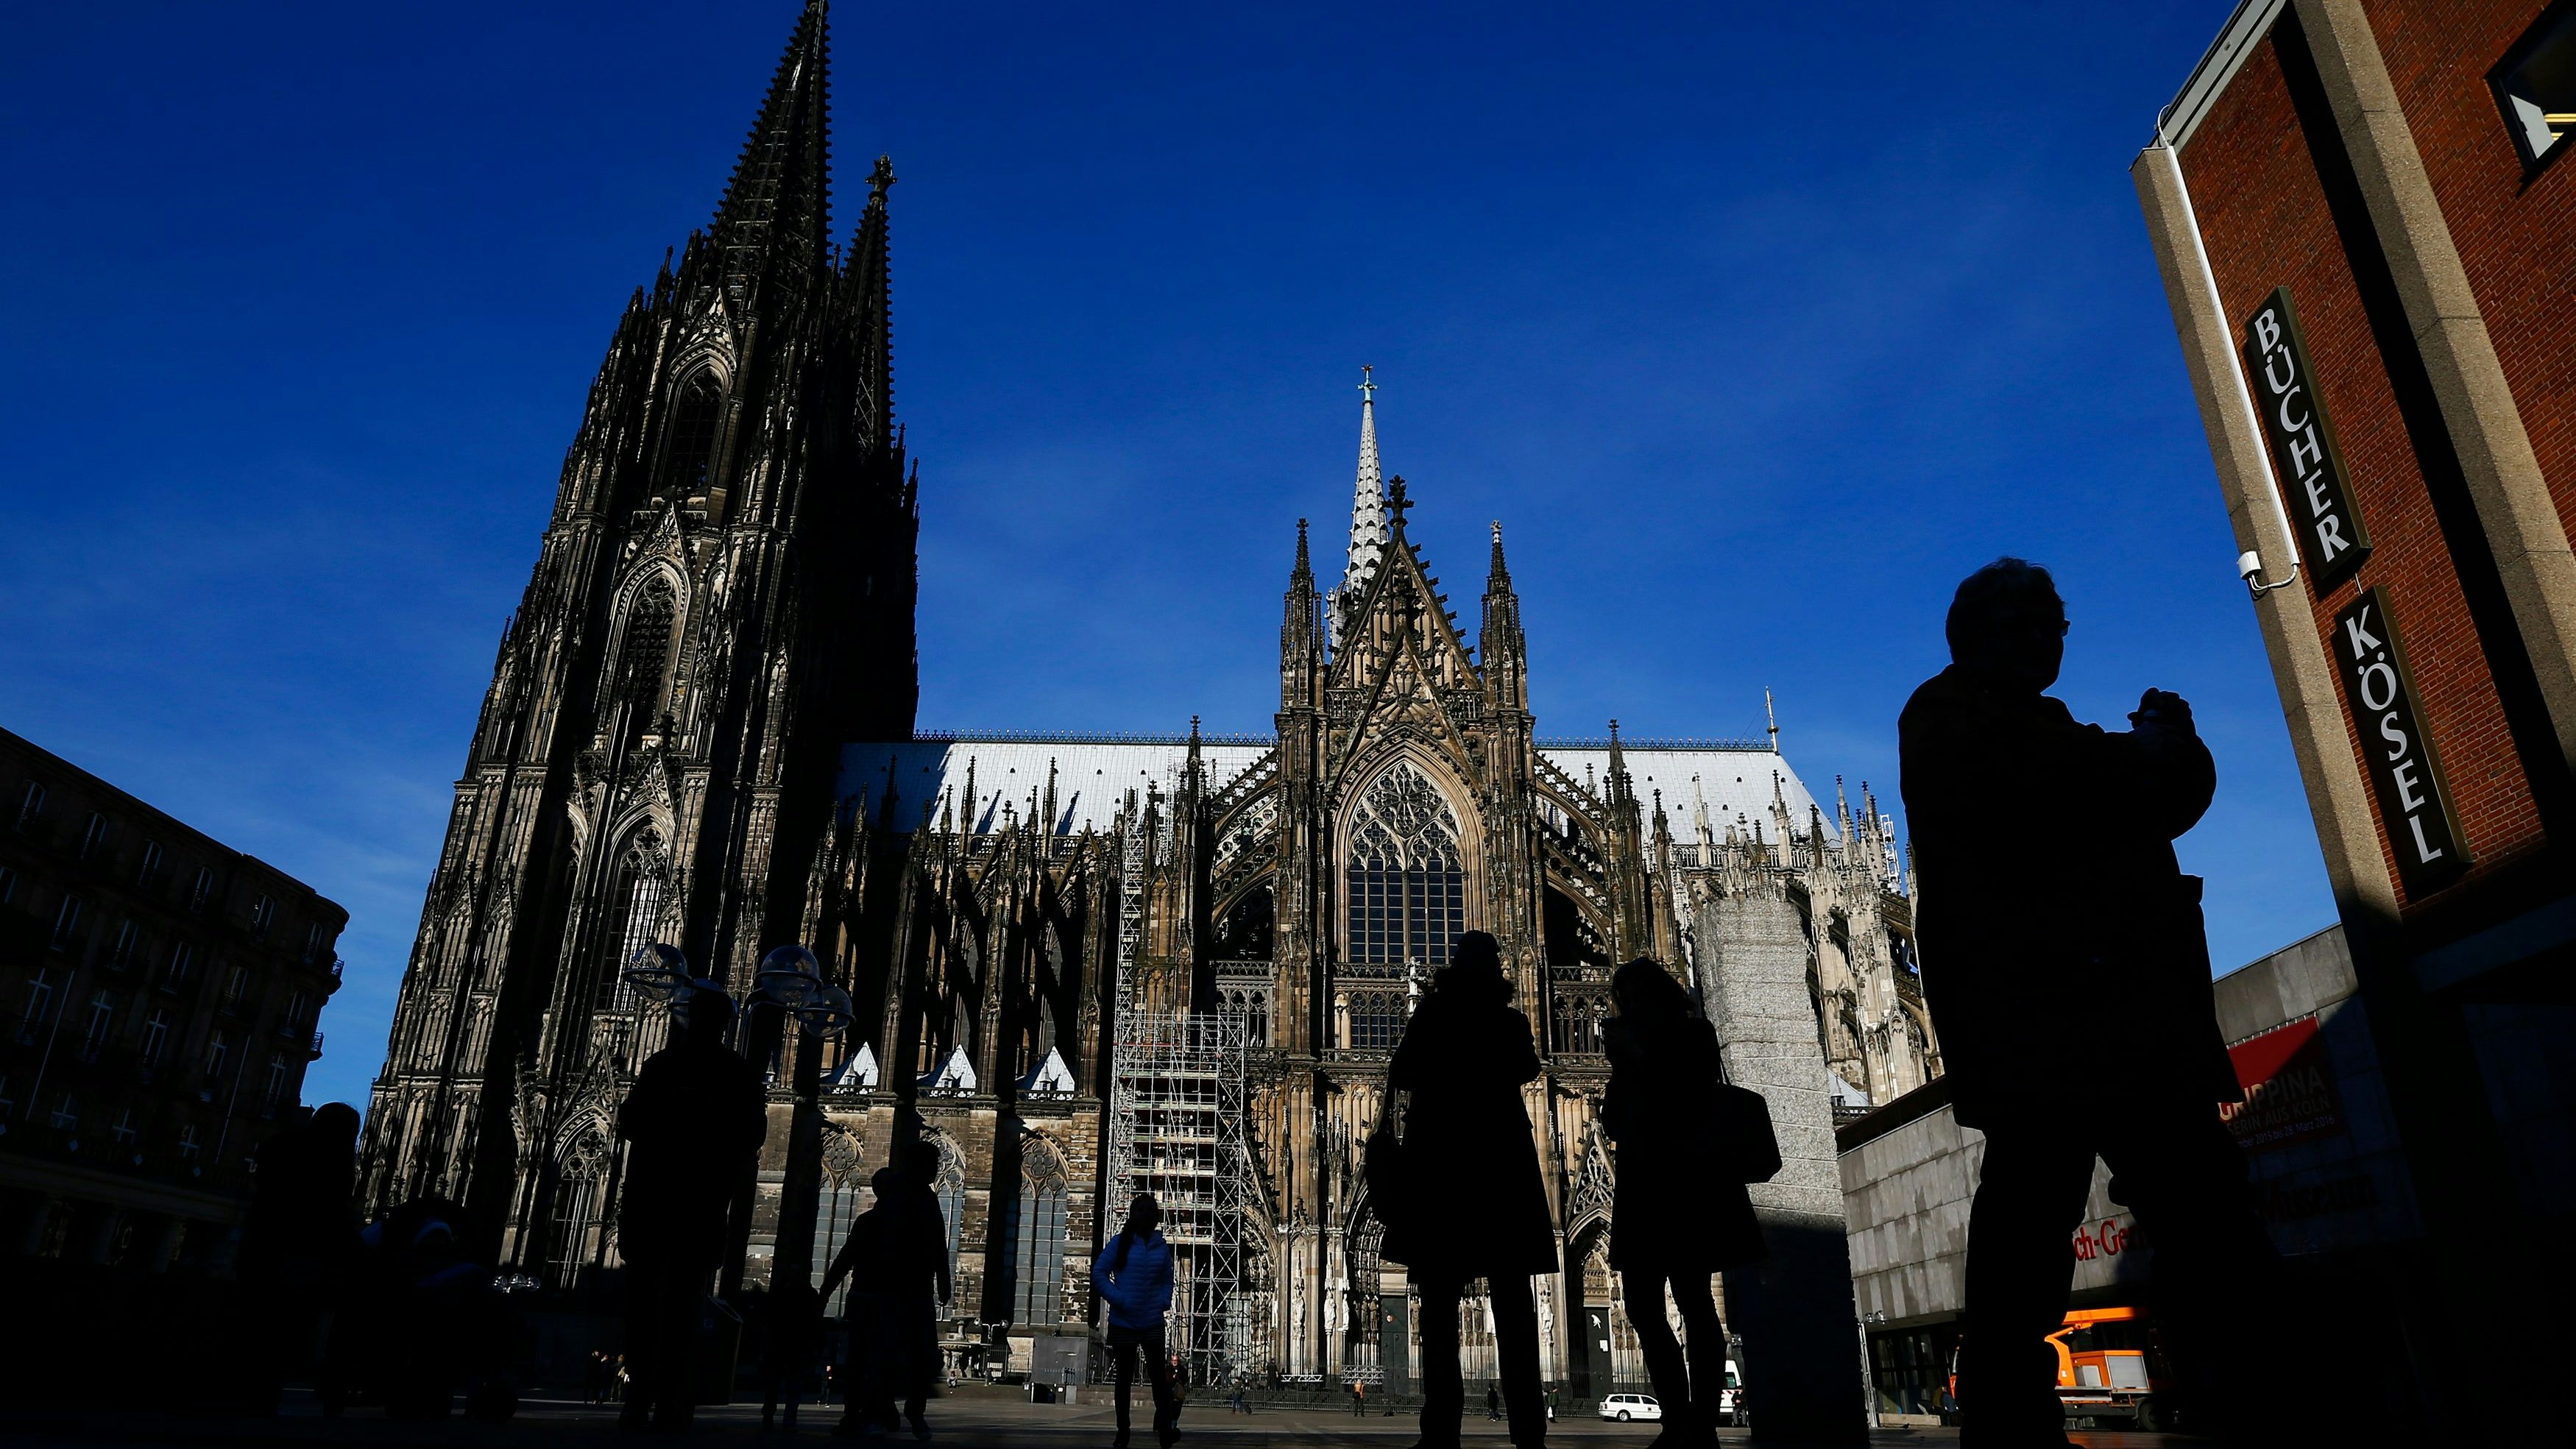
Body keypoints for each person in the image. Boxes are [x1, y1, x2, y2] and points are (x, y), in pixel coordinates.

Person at [1900, 559, 2289, 1448]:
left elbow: (2157, 798)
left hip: (2109, 1018)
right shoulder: (1957, 717)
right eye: (2023, 625)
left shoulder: (2025, 726)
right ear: (1971, 637)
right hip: (2053, 1020)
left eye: (2054, 627)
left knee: (2187, 1216)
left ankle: (2240, 1397)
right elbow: (2111, 780)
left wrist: (2159, 752)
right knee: (2048, 1232)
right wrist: (2155, 738)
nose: (2044, 641)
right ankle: (2013, 1422)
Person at [1381, 931, 1554, 1449]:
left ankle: (1441, 1431)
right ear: (1496, 969)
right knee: (1514, 1303)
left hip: (1444, 1165)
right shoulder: (1508, 1020)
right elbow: (1528, 1067)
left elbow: (1403, 1070)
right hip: (1500, 1163)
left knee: (1438, 1303)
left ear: (1455, 966)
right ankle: (1528, 1431)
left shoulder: (1434, 1014)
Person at [1601, 958, 1762, 1448]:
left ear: (1656, 995)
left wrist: (1636, 1055)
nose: (1628, 1006)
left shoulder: (1695, 1035)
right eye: (1623, 999)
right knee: (1644, 1306)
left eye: (1634, 996)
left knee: (1695, 1302)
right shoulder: (1636, 1048)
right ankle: (1678, 1418)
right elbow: (1611, 1117)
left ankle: (1700, 1423)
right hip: (1646, 1186)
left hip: (1687, 1183)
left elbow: (1693, 1094)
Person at [615, 987, 768, 1431]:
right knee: (682, 1306)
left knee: (647, 1303)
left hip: (658, 1199)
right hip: (697, 1203)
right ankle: (664, 1398)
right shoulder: (736, 1073)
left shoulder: (663, 1066)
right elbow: (753, 1134)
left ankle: (642, 1396)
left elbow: (629, 1122)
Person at [233, 1102, 361, 1414]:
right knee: (284, 1323)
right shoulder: (334, 1160)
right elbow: (334, 1209)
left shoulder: (280, 1145)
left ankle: (251, 1391)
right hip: (302, 1250)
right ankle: (268, 1392)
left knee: (260, 1321)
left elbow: (263, 1186)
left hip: (263, 1241)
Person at [822, 1152, 952, 1441]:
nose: (934, 1173)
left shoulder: (924, 1201)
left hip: (902, 1294)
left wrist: (943, 1281)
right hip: (893, 1295)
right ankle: (879, 1412)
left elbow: (937, 1244)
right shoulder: (887, 1212)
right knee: (884, 1359)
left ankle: (885, 1412)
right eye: (930, 1167)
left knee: (891, 1359)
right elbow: (851, 1256)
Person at [1091, 1194, 1180, 1449]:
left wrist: (1164, 1300)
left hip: (1152, 1320)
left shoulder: (1161, 1247)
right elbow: (1098, 1274)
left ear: (1156, 1217)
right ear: (1133, 1214)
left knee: (1159, 1380)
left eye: (1151, 1211)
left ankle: (1165, 1431)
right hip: (1124, 1321)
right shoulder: (1120, 1243)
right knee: (1124, 1380)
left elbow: (1167, 1279)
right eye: (1141, 1210)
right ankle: (1123, 1432)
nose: (1146, 1215)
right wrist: (1120, 1299)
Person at [761, 1278, 825, 1431]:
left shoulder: (779, 1294)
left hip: (781, 1345)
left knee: (775, 1384)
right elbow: (816, 1321)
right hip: (798, 1345)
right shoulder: (809, 1295)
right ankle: (788, 1419)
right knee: (793, 1386)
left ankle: (770, 1415)